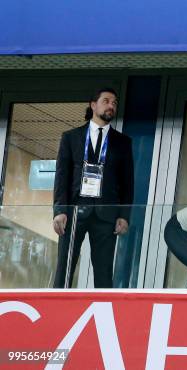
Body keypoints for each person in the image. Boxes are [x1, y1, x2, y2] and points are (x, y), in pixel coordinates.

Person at [52, 87, 134, 288]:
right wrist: (60, 210)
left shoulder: (123, 142)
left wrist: (124, 215)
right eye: (106, 101)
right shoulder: (71, 137)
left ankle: (102, 313)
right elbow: (62, 177)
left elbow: (127, 182)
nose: (111, 106)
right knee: (65, 266)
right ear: (93, 105)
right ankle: (56, 311)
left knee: (104, 271)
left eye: (114, 103)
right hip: (74, 212)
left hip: (107, 214)